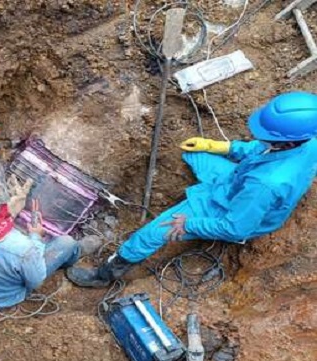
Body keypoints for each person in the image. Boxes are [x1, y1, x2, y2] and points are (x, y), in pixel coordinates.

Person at [67, 91, 317, 288]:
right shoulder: (307, 140)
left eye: (266, 135)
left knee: (152, 234)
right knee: (193, 153)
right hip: (237, 181)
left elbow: (235, 228)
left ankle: (105, 274)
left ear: (288, 141)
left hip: (228, 208)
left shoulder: (265, 185)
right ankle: (206, 166)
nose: (261, 137)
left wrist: (189, 225)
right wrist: (218, 147)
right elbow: (259, 151)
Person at [0, 152, 87, 309]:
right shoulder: (24, 248)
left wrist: (9, 213)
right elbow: (35, 282)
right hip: (1, 297)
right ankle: (73, 257)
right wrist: (36, 238)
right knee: (67, 243)